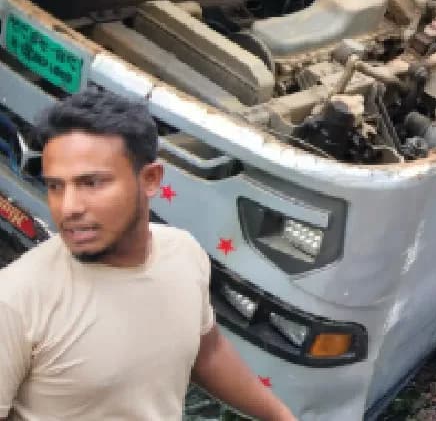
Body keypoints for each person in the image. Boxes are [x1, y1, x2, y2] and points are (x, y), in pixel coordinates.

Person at [0, 89, 296, 421]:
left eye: (91, 183)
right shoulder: (15, 300)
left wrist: (281, 417)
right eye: (56, 186)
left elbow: (206, 351)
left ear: (150, 180)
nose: (68, 207)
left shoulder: (184, 254)